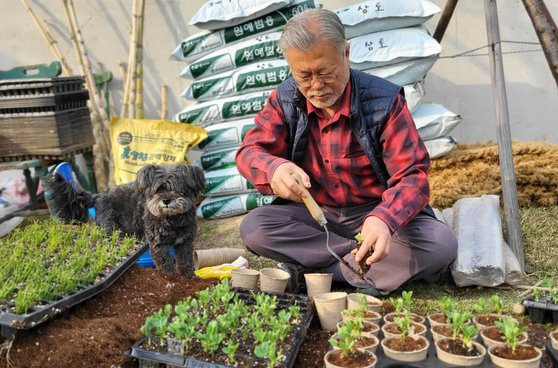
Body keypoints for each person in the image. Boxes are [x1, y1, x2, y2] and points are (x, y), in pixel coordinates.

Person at [234, 8, 457, 296]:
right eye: (304, 76)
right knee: (255, 227)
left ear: (346, 54)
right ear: (291, 68)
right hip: (317, 213)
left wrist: (385, 219)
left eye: (326, 73)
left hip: (375, 211)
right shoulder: (285, 99)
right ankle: (361, 268)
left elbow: (413, 176)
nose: (316, 86)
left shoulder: (384, 101)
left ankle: (317, 274)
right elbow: (249, 151)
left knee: (439, 244)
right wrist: (273, 168)